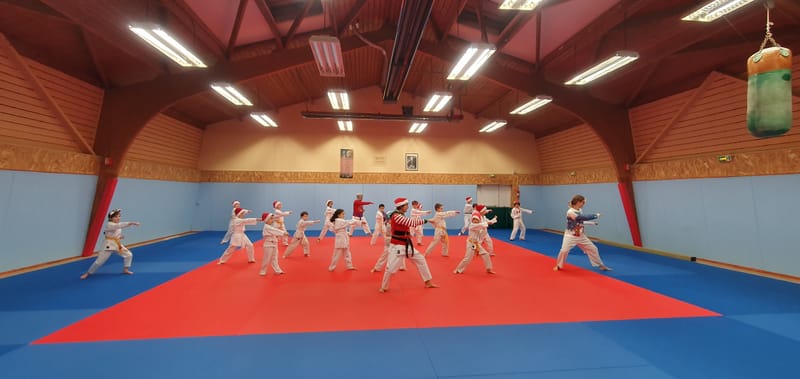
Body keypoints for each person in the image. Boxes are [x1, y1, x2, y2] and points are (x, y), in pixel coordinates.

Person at [379, 197, 438, 293]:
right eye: (406, 205)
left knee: (421, 260)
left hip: (406, 245)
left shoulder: (401, 215)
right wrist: (426, 220)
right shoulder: (396, 216)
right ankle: (383, 287)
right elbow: (411, 222)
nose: (407, 206)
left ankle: (428, 282)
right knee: (390, 269)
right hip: (397, 246)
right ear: (401, 206)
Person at [553, 195, 611, 272]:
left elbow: (581, 221)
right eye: (582, 202)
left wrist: (592, 223)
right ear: (578, 202)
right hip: (570, 236)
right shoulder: (570, 212)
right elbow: (580, 217)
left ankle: (600, 265)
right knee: (564, 251)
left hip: (581, 236)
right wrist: (595, 215)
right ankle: (559, 265)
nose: (583, 204)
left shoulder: (580, 210)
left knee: (593, 249)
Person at [80, 208, 140, 279]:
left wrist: (119, 237)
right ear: (111, 218)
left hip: (116, 244)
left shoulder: (116, 224)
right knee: (99, 261)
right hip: (108, 246)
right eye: (115, 217)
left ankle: (125, 270)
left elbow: (111, 233)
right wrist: (131, 223)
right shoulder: (110, 224)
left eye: (119, 216)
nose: (118, 218)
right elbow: (118, 226)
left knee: (129, 255)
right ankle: (88, 273)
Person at [454, 210, 495, 275]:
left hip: (476, 244)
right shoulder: (472, 225)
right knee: (468, 258)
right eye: (474, 219)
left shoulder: (479, 226)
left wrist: (490, 223)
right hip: (471, 244)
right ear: (472, 220)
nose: (475, 221)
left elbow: (482, 233)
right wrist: (487, 223)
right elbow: (480, 225)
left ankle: (488, 269)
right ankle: (458, 270)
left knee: (486, 254)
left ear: (479, 220)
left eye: (476, 219)